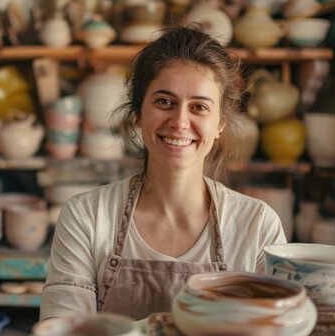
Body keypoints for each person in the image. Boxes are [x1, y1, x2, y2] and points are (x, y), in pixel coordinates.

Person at [40, 25, 287, 321]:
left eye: (199, 107)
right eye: (164, 102)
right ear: (138, 112)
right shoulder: (87, 217)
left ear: (220, 122)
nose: (180, 121)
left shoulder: (257, 226)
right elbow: (64, 328)